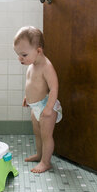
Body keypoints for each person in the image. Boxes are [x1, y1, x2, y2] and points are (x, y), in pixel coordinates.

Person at [13, 26, 62, 173]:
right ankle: (40, 155)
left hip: (46, 106)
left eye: (23, 55)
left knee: (46, 136)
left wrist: (48, 108)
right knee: (38, 133)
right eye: (18, 54)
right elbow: (32, 84)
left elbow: (54, 88)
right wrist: (27, 98)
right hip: (35, 106)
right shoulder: (32, 64)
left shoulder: (46, 66)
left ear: (38, 51)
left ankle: (46, 162)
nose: (20, 59)